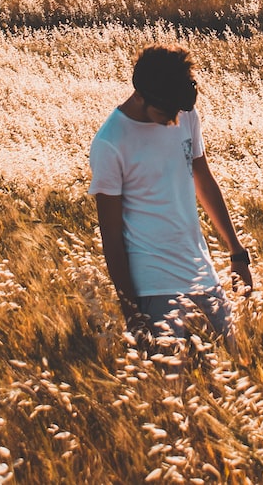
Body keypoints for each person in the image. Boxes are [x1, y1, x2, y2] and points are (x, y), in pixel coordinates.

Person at [89, 45, 253, 345]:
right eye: (167, 113)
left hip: (202, 272)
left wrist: (237, 252)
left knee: (232, 365)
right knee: (168, 386)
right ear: (140, 96)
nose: (175, 120)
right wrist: (132, 312)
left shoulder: (184, 112)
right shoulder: (110, 143)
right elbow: (110, 236)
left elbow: (203, 179)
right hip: (153, 285)